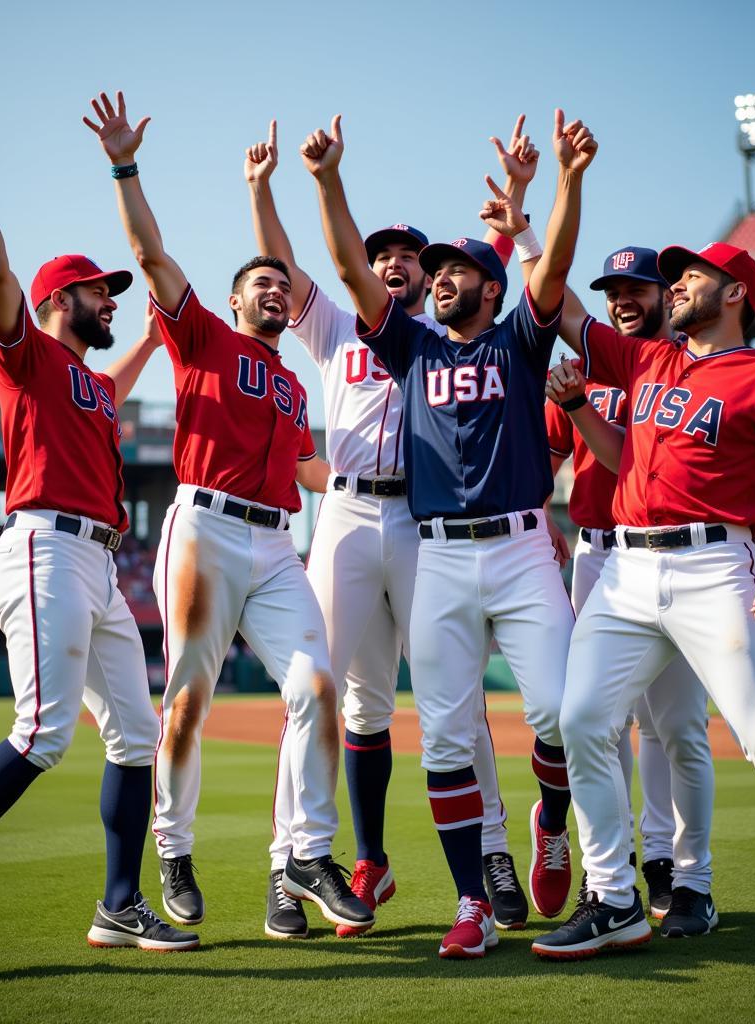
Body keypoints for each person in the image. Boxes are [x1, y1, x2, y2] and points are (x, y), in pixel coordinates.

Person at [0, 114, 198, 968]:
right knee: (44, 732)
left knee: (137, 734)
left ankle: (119, 903)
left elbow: (119, 376)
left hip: (98, 564)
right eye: (100, 291)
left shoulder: (93, 387)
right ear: (60, 299)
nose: (112, 298)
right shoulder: (28, 356)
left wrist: (150, 332)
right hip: (43, 547)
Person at [532, 236, 755, 969]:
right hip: (624, 569)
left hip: (717, 566)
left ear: (736, 293)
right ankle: (615, 899)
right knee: (584, 720)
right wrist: (552, 198)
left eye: (693, 276)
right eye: (677, 278)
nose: (676, 286)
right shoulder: (647, 358)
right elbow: (555, 302)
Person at [302, 109, 596, 958]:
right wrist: (327, 182)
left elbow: (558, 268)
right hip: (438, 558)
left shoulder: (518, 344)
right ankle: (471, 901)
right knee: (442, 738)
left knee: (560, 714)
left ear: (490, 288)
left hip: (519, 549)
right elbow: (354, 275)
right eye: (431, 272)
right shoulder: (413, 351)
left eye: (453, 269)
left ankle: (549, 823)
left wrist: (561, 186)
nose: (435, 278)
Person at [83, 91, 372, 938]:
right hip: (204, 528)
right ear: (234, 298)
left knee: (318, 685)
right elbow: (147, 248)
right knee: (188, 698)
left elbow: (311, 470)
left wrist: (381, 480)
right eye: (261, 282)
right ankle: (172, 851)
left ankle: (308, 854)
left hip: (276, 541)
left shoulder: (289, 383)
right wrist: (125, 165)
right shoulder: (202, 336)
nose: (276, 290)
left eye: (283, 283)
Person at [244, 117, 538, 934]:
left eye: (409, 253)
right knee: (328, 694)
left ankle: (492, 855)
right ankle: (301, 865)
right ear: (368, 268)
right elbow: (285, 266)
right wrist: (265, 188)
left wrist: (514, 191)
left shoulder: (443, 335)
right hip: (341, 510)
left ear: (427, 269)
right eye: (383, 254)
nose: (395, 262)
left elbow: (494, 256)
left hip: (422, 517)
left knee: (458, 697)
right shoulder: (337, 324)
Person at [544, 247, 716, 929]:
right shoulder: (587, 369)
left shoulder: (686, 367)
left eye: (634, 288)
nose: (622, 299)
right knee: (599, 722)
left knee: (677, 727)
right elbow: (547, 457)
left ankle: (678, 871)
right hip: (597, 553)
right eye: (611, 290)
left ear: (663, 293)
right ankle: (608, 869)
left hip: (676, 555)